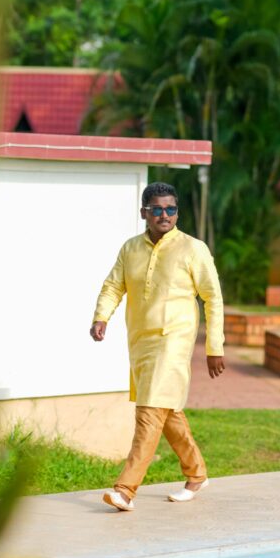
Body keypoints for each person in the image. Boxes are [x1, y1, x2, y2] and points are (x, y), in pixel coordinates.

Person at [89, 181, 225, 512]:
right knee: (167, 410)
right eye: (158, 210)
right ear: (144, 213)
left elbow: (212, 297)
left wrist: (214, 346)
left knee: (149, 412)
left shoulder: (194, 249)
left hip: (174, 339)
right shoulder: (130, 248)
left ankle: (125, 489)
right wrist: (101, 316)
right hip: (141, 341)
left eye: (171, 209)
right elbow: (113, 286)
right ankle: (197, 473)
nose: (165, 215)